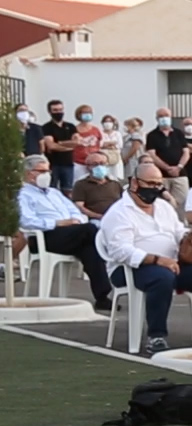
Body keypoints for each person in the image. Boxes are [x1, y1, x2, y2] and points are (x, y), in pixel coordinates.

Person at [98, 163, 192, 354]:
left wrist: (189, 237)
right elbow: (121, 251)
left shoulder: (163, 207)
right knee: (162, 278)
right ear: (135, 183)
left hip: (171, 264)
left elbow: (178, 230)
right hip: (129, 269)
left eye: (158, 184)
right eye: (150, 184)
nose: (155, 188)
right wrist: (156, 259)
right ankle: (156, 336)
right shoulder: (118, 213)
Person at [15, 155, 111, 307]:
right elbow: (26, 221)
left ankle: (102, 297)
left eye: (48, 171)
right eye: (42, 171)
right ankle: (112, 254)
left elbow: (75, 211)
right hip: (45, 236)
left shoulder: (54, 193)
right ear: (29, 173)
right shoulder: (23, 195)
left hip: (71, 234)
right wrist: (58, 223)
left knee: (90, 250)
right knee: (90, 230)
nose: (47, 175)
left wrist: (75, 221)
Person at [144, 109, 192, 209]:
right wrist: (167, 168)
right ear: (157, 118)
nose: (164, 118)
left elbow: (186, 152)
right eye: (161, 116)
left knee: (182, 203)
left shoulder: (178, 133)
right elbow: (152, 154)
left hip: (180, 175)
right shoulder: (152, 135)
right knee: (162, 203)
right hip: (161, 176)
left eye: (166, 115)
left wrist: (179, 167)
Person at [38, 100, 80, 192]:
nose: (59, 112)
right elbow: (51, 146)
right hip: (53, 164)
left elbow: (77, 142)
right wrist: (69, 146)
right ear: (49, 112)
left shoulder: (71, 126)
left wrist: (60, 143)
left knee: (68, 190)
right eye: (55, 110)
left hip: (68, 164)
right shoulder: (46, 127)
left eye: (60, 109)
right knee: (51, 190)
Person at [71, 151, 124, 221]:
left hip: (118, 217)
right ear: (88, 167)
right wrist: (99, 216)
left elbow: (124, 201)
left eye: (102, 163)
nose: (99, 166)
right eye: (95, 164)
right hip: (96, 219)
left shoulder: (115, 183)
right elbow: (79, 206)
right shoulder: (80, 184)